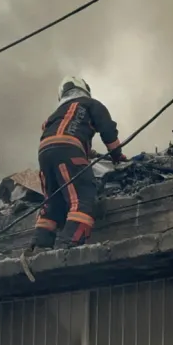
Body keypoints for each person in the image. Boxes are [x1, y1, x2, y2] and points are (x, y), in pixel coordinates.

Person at [33, 76, 127, 250]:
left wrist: (83, 151)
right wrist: (117, 156)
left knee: (53, 202)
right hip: (67, 150)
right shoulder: (91, 104)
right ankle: (68, 244)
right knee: (82, 197)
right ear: (85, 89)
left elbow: (59, 134)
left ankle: (40, 245)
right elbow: (107, 130)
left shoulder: (56, 114)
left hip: (44, 153)